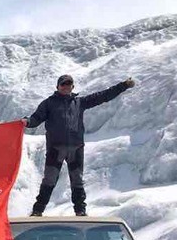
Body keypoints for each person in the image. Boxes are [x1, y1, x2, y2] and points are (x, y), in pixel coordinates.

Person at [21, 74, 135, 216]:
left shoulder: (80, 102)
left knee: (77, 180)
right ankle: (38, 211)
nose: (66, 86)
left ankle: (80, 211)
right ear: (57, 87)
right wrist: (27, 121)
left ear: (73, 87)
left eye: (69, 84)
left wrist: (123, 85)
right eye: (63, 84)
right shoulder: (49, 103)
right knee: (49, 179)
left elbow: (103, 96)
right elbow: (36, 118)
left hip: (76, 149)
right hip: (55, 149)